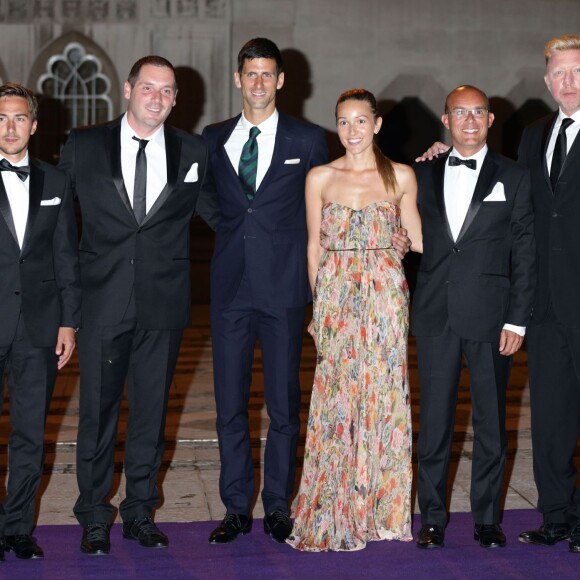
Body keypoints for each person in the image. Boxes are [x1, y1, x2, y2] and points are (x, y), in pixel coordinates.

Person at [58, 56, 220, 555]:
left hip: (163, 305)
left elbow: (226, 215)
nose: (157, 98)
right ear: (128, 90)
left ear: (176, 99)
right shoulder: (83, 146)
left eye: (167, 91)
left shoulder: (194, 151)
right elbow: (59, 227)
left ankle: (139, 512)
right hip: (102, 300)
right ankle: (92, 514)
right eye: (148, 88)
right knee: (98, 414)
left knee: (151, 414)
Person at [202, 37, 329, 545]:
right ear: (238, 79)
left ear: (280, 80)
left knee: (283, 405)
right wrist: (232, 226)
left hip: (284, 289)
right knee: (230, 404)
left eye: (266, 74)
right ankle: (236, 507)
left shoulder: (310, 139)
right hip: (230, 287)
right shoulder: (211, 137)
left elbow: (333, 198)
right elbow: (203, 196)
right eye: (249, 74)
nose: (258, 83)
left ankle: (277, 505)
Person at [286, 88, 422, 552]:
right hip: (337, 296)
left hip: (385, 296)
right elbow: (312, 247)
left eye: (360, 121)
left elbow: (418, 241)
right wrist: (316, 303)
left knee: (384, 395)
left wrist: (401, 243)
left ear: (377, 124)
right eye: (343, 122)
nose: (351, 130)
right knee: (338, 398)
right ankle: (336, 503)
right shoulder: (320, 177)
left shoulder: (401, 175)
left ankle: (382, 509)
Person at [412, 85, 535, 550]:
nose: (468, 120)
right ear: (445, 120)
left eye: (477, 113)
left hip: (491, 319)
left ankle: (487, 519)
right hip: (435, 316)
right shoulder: (422, 173)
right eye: (459, 113)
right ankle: (432, 519)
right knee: (436, 424)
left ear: (490, 119)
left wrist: (516, 321)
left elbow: (526, 253)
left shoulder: (515, 177)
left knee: (490, 423)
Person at [0, 83, 80, 561]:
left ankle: (17, 528)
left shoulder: (55, 181)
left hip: (39, 327)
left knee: (30, 433)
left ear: (33, 124)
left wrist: (69, 322)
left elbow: (66, 256)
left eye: (18, 118)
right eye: (1, 118)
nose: (9, 127)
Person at [516, 35, 580, 553]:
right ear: (547, 82)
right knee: (552, 418)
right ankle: (557, 514)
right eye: (560, 73)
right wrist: (445, 156)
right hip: (544, 307)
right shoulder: (533, 135)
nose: (569, 81)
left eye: (577, 70)